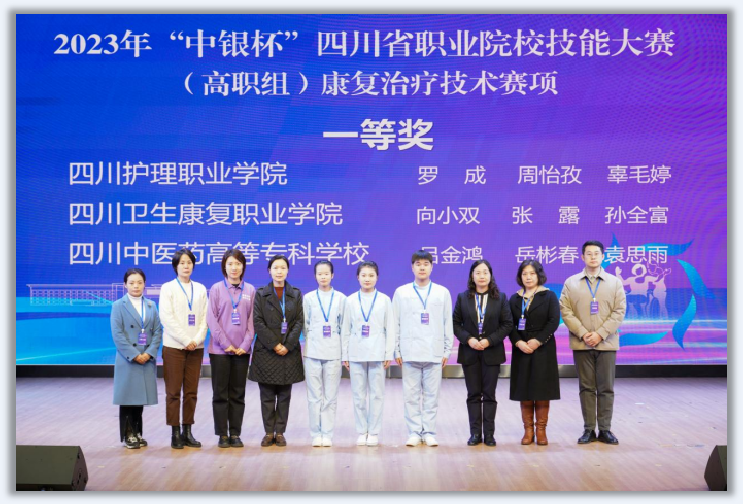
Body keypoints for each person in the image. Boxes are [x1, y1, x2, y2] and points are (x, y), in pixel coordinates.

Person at [559, 241, 626, 445]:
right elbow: (565, 311)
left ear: (603, 256)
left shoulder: (614, 282)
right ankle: (589, 429)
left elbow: (619, 311)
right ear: (582, 257)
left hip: (607, 343)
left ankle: (605, 429)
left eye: (597, 253)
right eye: (589, 254)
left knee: (606, 387)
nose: (593, 257)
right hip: (582, 343)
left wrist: (600, 334)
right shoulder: (571, 283)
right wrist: (583, 333)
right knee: (586, 387)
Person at [393, 250, 454, 447]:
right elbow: (395, 323)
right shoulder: (401, 292)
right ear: (412, 267)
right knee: (410, 396)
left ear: (432, 267)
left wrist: (447, 350)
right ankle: (413, 432)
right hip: (409, 351)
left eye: (426, 264)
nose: (422, 267)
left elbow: (447, 322)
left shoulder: (442, 292)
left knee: (431, 396)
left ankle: (428, 432)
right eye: (418, 264)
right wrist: (396, 350)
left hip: (434, 352)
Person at [453, 260, 513, 447]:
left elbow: (507, 324)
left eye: (485, 272)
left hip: (492, 352)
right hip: (469, 352)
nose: (482, 276)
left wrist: (490, 340)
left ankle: (489, 434)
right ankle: (475, 434)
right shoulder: (463, 298)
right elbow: (455, 323)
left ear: (490, 275)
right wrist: (468, 339)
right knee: (473, 394)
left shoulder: (500, 298)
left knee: (489, 394)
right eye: (478, 272)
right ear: (472, 276)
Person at [248, 254, 304, 447]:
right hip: (266, 351)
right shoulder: (261, 293)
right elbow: (257, 322)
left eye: (283, 268)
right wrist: (274, 344)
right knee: (267, 396)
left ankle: (280, 432)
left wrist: (287, 345)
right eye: (275, 268)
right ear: (269, 271)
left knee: (284, 396)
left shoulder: (295, 293)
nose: (279, 271)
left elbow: (299, 322)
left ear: (287, 271)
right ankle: (268, 432)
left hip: (289, 352)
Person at [341, 261, 396, 447]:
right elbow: (345, 329)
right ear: (357, 277)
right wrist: (345, 355)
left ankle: (373, 431)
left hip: (378, 352)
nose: (367, 279)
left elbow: (390, 328)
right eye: (363, 275)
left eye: (371, 275)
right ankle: (361, 431)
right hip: (356, 352)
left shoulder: (384, 300)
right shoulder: (350, 300)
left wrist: (388, 353)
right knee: (358, 395)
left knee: (377, 394)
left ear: (377, 278)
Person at [159, 248, 208, 449]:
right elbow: (166, 318)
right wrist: (185, 339)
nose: (186, 266)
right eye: (182, 263)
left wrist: (196, 340)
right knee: (173, 392)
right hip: (174, 347)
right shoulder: (168, 288)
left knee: (191, 392)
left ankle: (187, 431)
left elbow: (205, 318)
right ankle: (175, 433)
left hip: (196, 347)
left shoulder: (201, 289)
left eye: (189, 263)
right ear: (175, 266)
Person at [206, 249, 256, 449]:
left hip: (242, 352)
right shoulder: (216, 289)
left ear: (243, 266)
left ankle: (235, 433)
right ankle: (222, 434)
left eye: (238, 263)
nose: (234, 267)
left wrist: (245, 345)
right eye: (230, 264)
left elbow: (252, 321)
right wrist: (225, 344)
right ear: (224, 267)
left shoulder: (250, 290)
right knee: (220, 394)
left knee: (238, 393)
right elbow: (211, 319)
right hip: (220, 351)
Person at [508, 259, 561, 446]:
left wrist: (538, 340)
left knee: (542, 389)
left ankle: (541, 430)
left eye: (532, 273)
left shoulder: (549, 296)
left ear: (539, 275)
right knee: (525, 390)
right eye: (524, 274)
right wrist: (518, 342)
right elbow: (508, 324)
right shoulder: (514, 299)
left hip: (543, 349)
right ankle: (528, 430)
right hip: (521, 349)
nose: (528, 277)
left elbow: (553, 321)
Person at [111, 268, 162, 449]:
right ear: (125, 285)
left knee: (139, 398)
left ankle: (138, 432)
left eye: (139, 282)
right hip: (128, 359)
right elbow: (117, 335)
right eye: (131, 282)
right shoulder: (118, 305)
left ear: (144, 284)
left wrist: (149, 352)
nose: (135, 286)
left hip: (146, 358)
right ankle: (128, 435)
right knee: (127, 398)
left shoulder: (151, 305)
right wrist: (134, 355)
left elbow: (157, 331)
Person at [304, 260, 346, 447]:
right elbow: (305, 325)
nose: (323, 277)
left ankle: (327, 434)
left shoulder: (341, 298)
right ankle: (316, 434)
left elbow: (344, 326)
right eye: (319, 274)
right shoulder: (309, 298)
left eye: (326, 273)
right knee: (314, 396)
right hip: (313, 352)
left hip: (334, 352)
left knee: (330, 396)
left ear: (332, 275)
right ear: (315, 276)